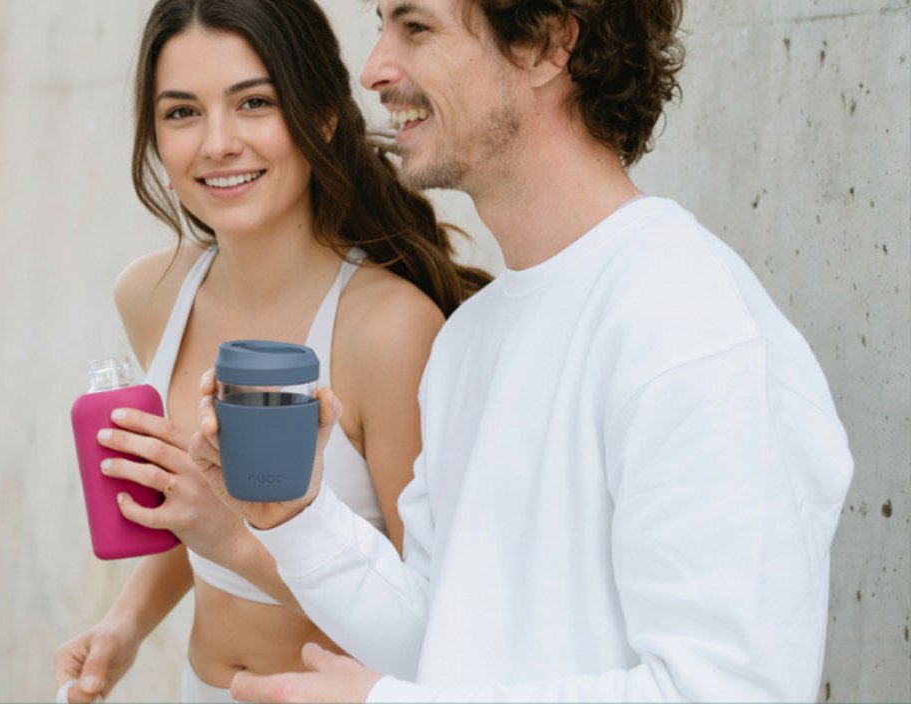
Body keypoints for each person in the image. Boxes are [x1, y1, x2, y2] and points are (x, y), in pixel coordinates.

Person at [181, 0, 855, 701]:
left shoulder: (691, 328)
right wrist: (297, 516)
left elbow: (728, 692)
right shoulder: (472, 340)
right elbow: (442, 639)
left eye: (416, 28)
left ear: (546, 42)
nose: (375, 70)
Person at [51, 0, 490, 701]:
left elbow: (425, 616)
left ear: (321, 115)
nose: (217, 143)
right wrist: (124, 624)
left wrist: (225, 535)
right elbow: (192, 507)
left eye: (253, 102)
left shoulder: (389, 330)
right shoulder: (152, 294)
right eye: (182, 112)